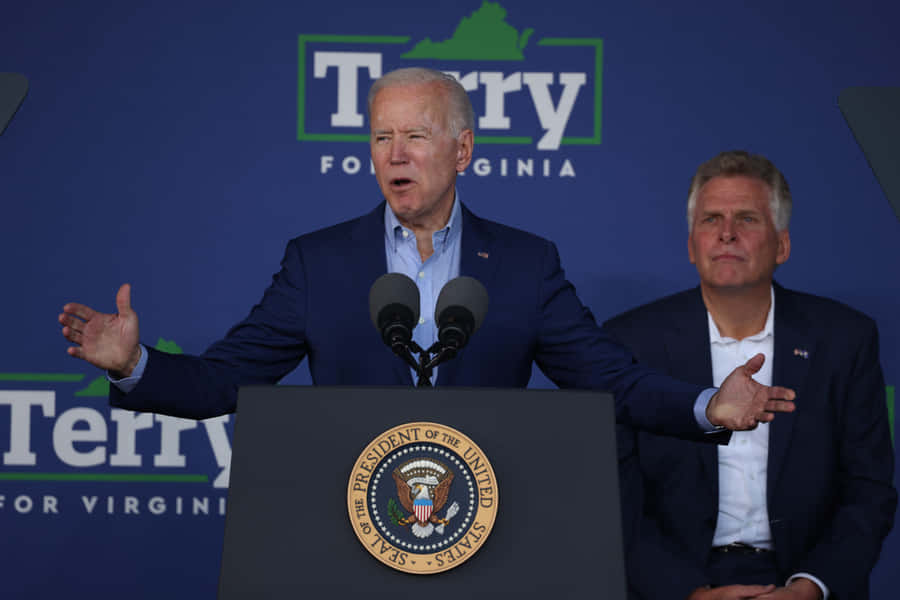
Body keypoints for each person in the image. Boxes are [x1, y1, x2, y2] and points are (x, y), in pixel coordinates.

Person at [58, 69, 793, 438]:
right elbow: (222, 381)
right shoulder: (319, 263)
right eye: (382, 137)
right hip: (344, 523)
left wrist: (706, 405)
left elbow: (610, 380)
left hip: (489, 525)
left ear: (463, 149)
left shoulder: (525, 264)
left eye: (416, 136)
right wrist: (133, 365)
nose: (395, 154)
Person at [607, 151, 896, 599]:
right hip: (677, 585)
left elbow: (869, 491)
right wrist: (689, 593)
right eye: (711, 220)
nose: (726, 233)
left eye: (746, 219)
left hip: (804, 580)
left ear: (781, 244)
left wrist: (810, 588)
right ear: (691, 245)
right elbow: (615, 499)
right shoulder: (630, 343)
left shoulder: (844, 339)